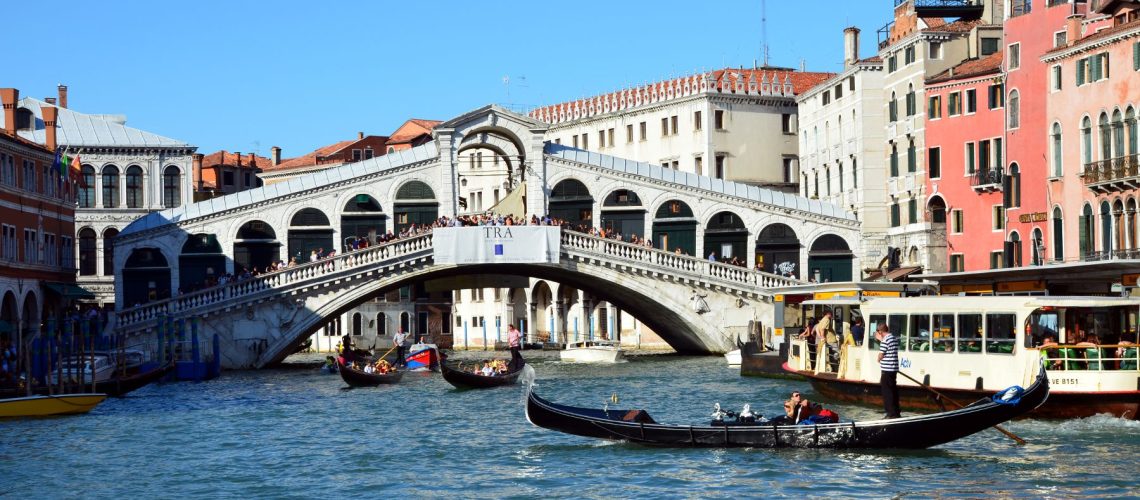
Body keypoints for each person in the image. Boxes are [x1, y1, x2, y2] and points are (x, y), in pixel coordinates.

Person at [876, 322, 901, 418]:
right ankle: (896, 412)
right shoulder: (893, 338)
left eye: (878, 331)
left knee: (887, 393)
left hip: (887, 370)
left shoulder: (885, 340)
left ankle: (890, 413)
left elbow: (881, 355)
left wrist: (878, 358)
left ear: (880, 331)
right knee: (893, 390)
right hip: (893, 369)